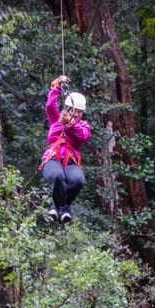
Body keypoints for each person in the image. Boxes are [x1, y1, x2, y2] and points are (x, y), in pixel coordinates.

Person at [39, 75, 91, 223]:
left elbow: (84, 136)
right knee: (57, 176)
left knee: (78, 180)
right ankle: (63, 208)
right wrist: (56, 88)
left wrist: (70, 124)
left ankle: (59, 206)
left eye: (80, 112)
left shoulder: (82, 126)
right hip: (52, 158)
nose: (78, 114)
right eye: (75, 111)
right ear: (68, 108)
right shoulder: (56, 119)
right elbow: (50, 106)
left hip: (70, 162)